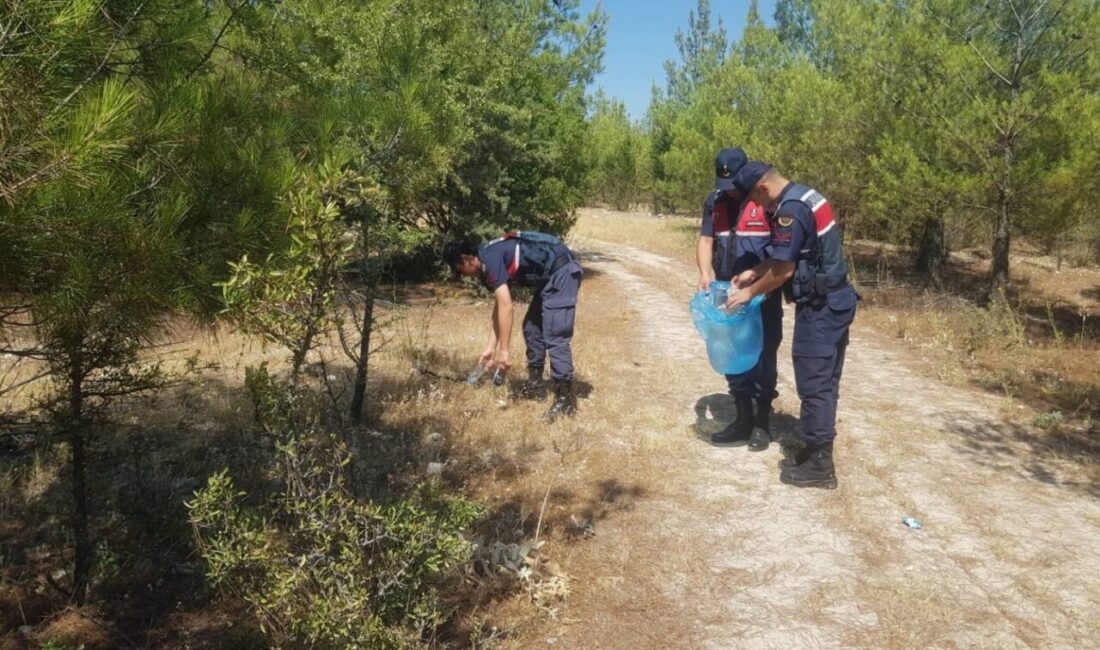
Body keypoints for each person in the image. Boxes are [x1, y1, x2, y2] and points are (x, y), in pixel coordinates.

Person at [723, 160, 857, 489]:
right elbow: (790, 256)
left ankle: (820, 465)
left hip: (821, 309)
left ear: (763, 188)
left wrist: (749, 292)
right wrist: (756, 271)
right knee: (826, 382)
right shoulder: (806, 196)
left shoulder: (790, 210)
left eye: (756, 200)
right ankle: (816, 451)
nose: (759, 208)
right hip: (835, 301)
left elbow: (784, 271)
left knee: (814, 384)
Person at [444, 231, 583, 421]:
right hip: (549, 277)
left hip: (563, 271)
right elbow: (500, 307)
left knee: (555, 335)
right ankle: (536, 387)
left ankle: (565, 400)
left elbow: (507, 307)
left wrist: (505, 352)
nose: (463, 276)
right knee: (532, 328)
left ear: (467, 259)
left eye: (460, 270)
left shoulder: (489, 258)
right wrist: (490, 348)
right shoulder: (487, 260)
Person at [697, 148, 783, 451]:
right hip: (726, 293)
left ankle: (762, 424)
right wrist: (705, 272)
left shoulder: (767, 202)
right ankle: (743, 417)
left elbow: (782, 252)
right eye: (725, 185)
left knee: (764, 355)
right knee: (732, 354)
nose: (730, 191)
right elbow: (706, 240)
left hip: (762, 294)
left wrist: (762, 285)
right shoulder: (715, 202)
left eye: (734, 184)